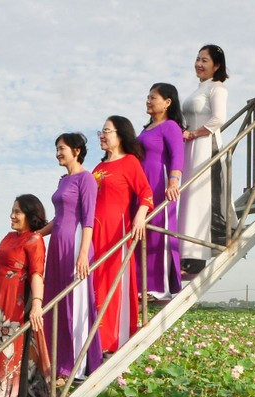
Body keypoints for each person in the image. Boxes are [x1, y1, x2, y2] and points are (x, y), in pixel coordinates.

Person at [37, 133, 102, 384]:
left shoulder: (86, 179)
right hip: (57, 246)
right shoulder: (64, 180)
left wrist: (84, 253)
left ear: (76, 150)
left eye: (61, 148)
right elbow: (58, 217)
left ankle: (73, 364)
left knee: (73, 303)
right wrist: (37, 235)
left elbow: (88, 219)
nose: (57, 153)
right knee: (55, 301)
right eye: (56, 149)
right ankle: (57, 361)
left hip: (76, 245)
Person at [0, 195, 51, 397]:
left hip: (15, 309)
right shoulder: (8, 238)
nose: (12, 215)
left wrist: (37, 304)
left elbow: (37, 274)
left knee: (7, 358)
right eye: (13, 210)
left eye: (18, 211)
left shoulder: (34, 240)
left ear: (30, 215)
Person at [92, 116, 154, 353]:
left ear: (120, 135)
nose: (102, 135)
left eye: (106, 130)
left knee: (111, 282)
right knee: (95, 283)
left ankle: (112, 339)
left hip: (115, 232)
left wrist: (140, 214)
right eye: (102, 130)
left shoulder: (129, 162)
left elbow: (146, 192)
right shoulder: (98, 168)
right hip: (93, 233)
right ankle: (93, 337)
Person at [180, 44, 235, 275]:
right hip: (190, 148)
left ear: (217, 65)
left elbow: (218, 119)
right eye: (197, 59)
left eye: (205, 60)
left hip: (205, 146)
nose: (199, 64)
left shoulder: (217, 88)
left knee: (203, 198)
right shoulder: (198, 89)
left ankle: (198, 255)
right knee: (190, 199)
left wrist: (194, 133)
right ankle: (187, 251)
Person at [137, 83, 185, 299]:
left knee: (158, 232)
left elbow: (177, 156)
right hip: (142, 185)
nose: (148, 100)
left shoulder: (171, 127)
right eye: (147, 96)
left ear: (167, 103)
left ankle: (159, 287)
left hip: (160, 183)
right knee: (142, 233)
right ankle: (140, 285)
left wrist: (173, 182)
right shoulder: (145, 129)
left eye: (153, 97)